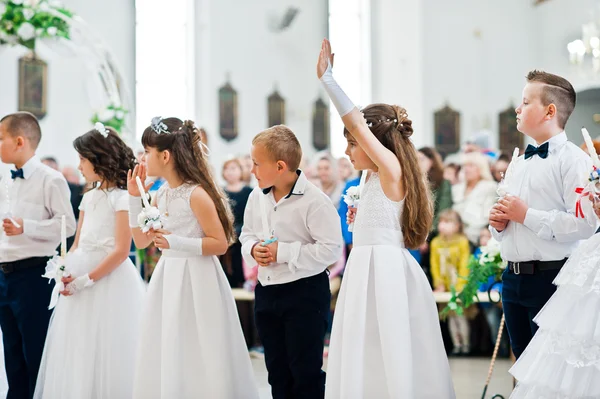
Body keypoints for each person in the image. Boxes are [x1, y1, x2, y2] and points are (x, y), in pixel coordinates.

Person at [317, 39, 455, 398]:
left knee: (389, 347)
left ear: (374, 142)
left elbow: (358, 125)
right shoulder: (370, 177)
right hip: (364, 267)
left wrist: (329, 81)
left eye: (352, 143)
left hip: (386, 271)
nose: (348, 151)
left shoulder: (391, 167)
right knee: (363, 349)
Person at [130, 117, 258, 398]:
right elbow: (140, 240)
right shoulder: (160, 194)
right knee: (171, 342)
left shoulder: (196, 194)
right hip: (168, 276)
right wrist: (132, 198)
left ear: (165, 156)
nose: (142, 157)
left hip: (199, 277)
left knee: (202, 343)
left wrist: (177, 242)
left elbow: (221, 243)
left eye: (146, 151)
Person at [489, 70, 597, 360]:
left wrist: (526, 215)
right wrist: (499, 224)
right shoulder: (518, 161)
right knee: (522, 365)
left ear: (550, 111)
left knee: (548, 365)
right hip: (512, 278)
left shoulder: (574, 160)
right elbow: (509, 221)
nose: (517, 108)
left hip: (551, 278)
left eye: (525, 102)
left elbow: (586, 224)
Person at [34, 124, 145, 398]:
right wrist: (65, 271)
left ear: (99, 159)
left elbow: (121, 250)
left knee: (109, 347)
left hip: (108, 279)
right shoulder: (88, 197)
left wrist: (86, 279)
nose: (79, 165)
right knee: (79, 348)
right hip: (80, 277)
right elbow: (78, 242)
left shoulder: (121, 198)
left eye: (83, 159)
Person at [239, 125, 342, 399]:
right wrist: (253, 248)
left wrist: (282, 253)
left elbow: (331, 250)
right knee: (277, 371)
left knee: (305, 371)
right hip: (267, 292)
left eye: (257, 164)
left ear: (281, 166)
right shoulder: (255, 196)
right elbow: (246, 233)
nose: (252, 170)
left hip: (304, 294)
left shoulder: (315, 202)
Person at [0, 112, 76, 398]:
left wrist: (26, 227)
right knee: (12, 354)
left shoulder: (51, 179)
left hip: (33, 276)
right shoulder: (5, 180)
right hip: (4, 274)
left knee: (36, 353)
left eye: (0, 139)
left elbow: (68, 224)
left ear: (19, 141)